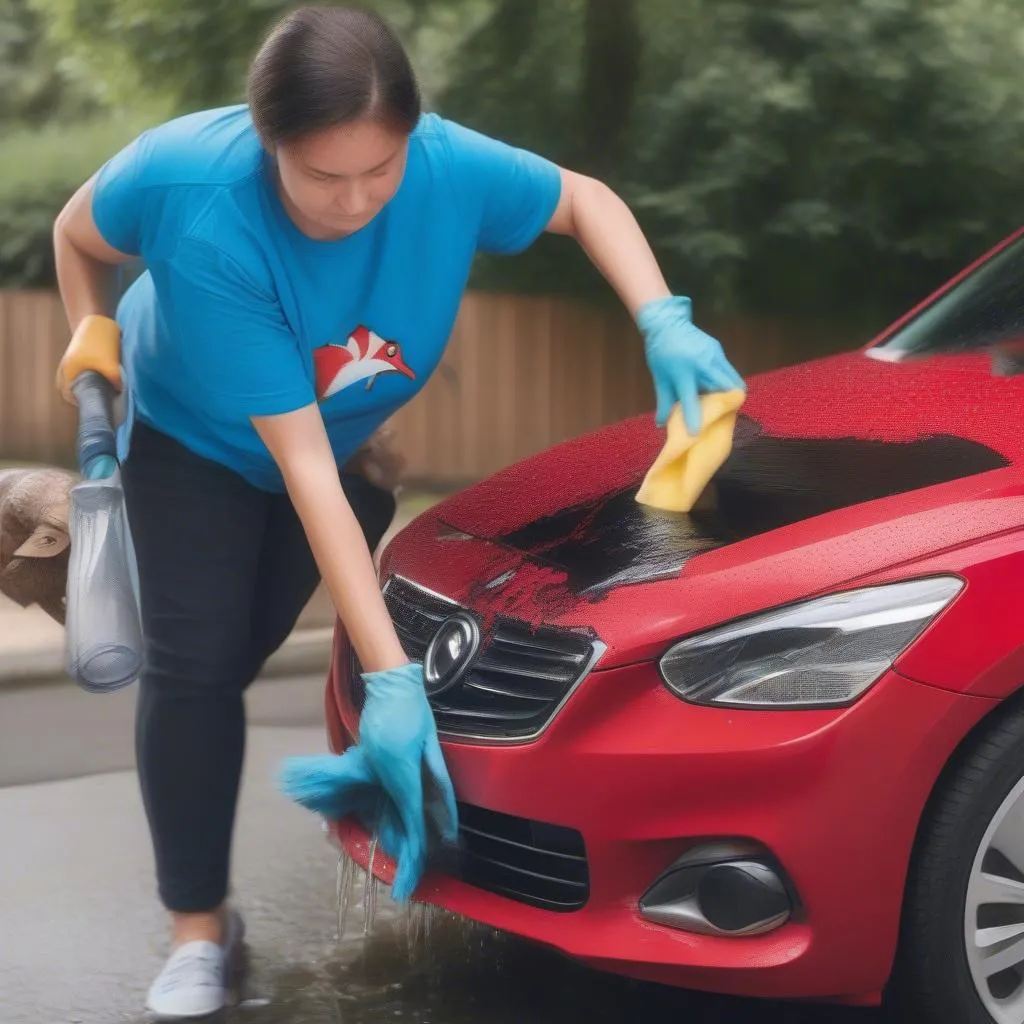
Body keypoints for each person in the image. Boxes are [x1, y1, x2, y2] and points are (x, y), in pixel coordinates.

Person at [51, 4, 746, 1018]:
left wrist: (662, 320)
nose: (355, 200)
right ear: (268, 142)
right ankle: (199, 932)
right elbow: (80, 235)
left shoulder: (448, 167)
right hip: (193, 438)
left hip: (341, 450)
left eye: (379, 169)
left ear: (410, 137)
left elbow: (586, 200)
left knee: (229, 655)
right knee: (192, 669)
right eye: (322, 176)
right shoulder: (197, 199)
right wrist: (89, 327)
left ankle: (194, 683)